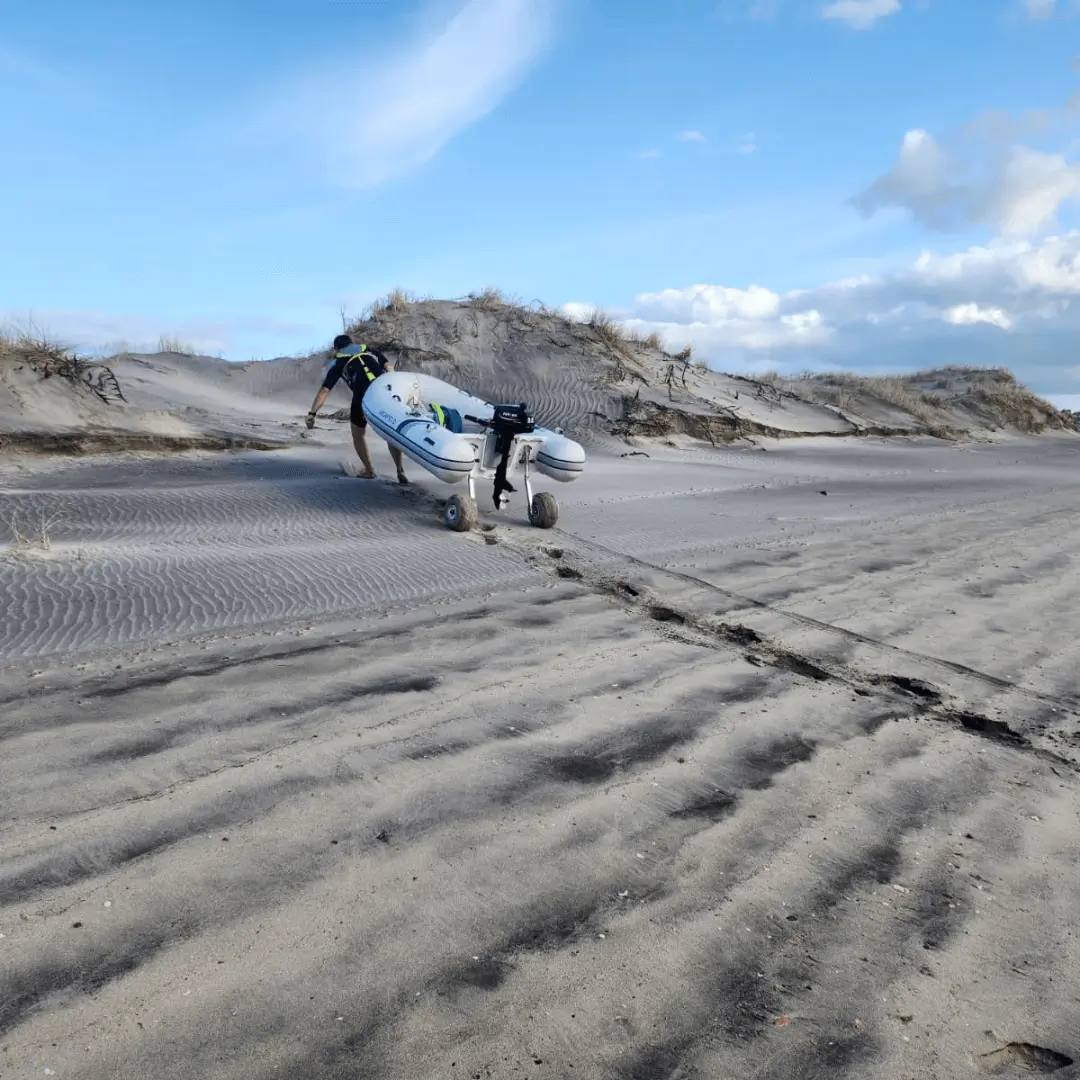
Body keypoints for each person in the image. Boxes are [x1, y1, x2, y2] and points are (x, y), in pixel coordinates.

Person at [306, 334, 408, 483]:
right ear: (352, 343)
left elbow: (325, 390)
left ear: (336, 349)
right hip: (383, 391)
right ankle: (400, 470)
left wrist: (312, 413)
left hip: (362, 396)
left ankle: (369, 470)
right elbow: (389, 367)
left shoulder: (338, 363)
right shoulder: (369, 350)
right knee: (389, 432)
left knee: (358, 434)